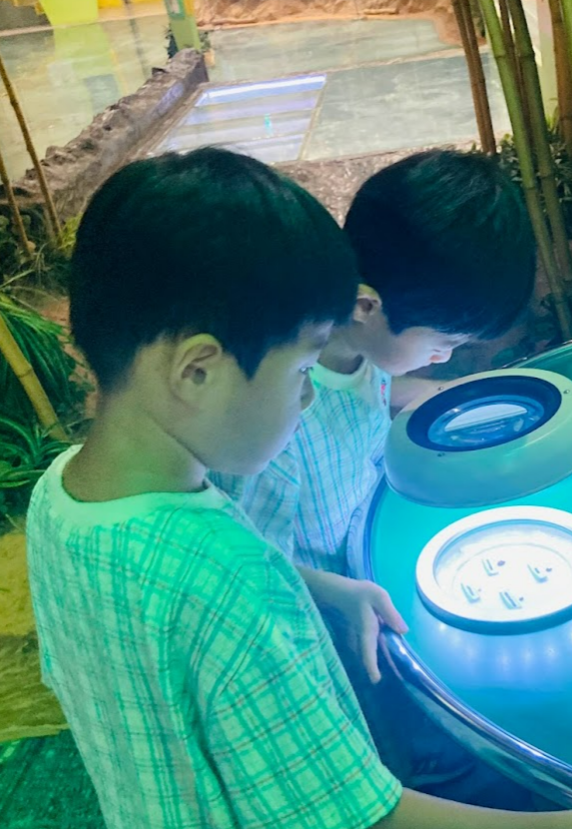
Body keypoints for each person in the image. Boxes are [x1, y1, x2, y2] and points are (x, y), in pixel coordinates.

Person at [27, 147, 572, 829]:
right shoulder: (228, 575)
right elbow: (351, 822)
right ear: (196, 370)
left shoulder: (59, 499)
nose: (308, 397)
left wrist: (321, 588)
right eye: (299, 370)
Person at [208, 150, 538, 795]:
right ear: (366, 305)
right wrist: (334, 594)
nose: (444, 357)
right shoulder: (276, 419)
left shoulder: (363, 349)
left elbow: (378, 389)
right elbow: (242, 563)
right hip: (323, 617)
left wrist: (458, 401)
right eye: (443, 342)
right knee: (376, 728)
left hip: (361, 561)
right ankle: (401, 783)